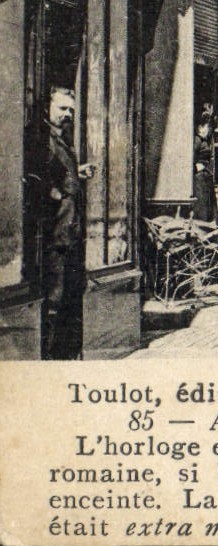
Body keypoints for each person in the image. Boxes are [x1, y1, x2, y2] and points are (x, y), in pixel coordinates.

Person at [34, 87, 95, 360]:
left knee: (69, 295)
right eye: (62, 109)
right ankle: (47, 360)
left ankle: (62, 355)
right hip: (54, 235)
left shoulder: (60, 139)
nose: (67, 114)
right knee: (54, 300)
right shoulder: (40, 139)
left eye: (71, 110)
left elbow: (60, 175)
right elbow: (35, 178)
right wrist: (55, 193)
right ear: (47, 107)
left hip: (69, 234)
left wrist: (76, 174)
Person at [193, 106, 216, 223]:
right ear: (200, 127)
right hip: (200, 180)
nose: (208, 130)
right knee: (203, 210)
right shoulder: (197, 141)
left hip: (205, 179)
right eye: (207, 127)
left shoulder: (204, 140)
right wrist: (196, 167)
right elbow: (189, 162)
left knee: (208, 209)